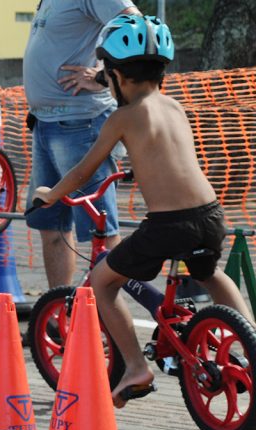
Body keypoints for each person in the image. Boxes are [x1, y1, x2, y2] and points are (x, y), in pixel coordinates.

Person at [32, 15, 255, 408]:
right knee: (209, 273)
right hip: (210, 215)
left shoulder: (122, 117)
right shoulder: (174, 106)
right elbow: (171, 157)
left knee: (102, 282)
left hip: (169, 225)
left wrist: (51, 195)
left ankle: (136, 367)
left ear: (117, 76)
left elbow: (83, 171)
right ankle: (250, 340)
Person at [23, 0, 141, 288]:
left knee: (101, 231)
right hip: (45, 123)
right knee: (51, 225)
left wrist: (102, 77)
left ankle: (106, 311)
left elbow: (136, 25)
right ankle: (57, 309)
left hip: (81, 123)